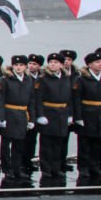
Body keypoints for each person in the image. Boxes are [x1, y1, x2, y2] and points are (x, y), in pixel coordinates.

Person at [34, 52, 72, 187]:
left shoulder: (67, 79)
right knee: (46, 145)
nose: (53, 64)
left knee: (58, 144)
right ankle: (46, 170)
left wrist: (70, 114)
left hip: (62, 114)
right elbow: (37, 99)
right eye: (51, 62)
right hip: (48, 113)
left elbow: (71, 98)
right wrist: (40, 115)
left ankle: (56, 169)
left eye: (56, 62)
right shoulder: (43, 79)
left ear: (61, 65)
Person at [0, 54, 35, 186]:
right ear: (12, 66)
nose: (18, 67)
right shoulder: (5, 80)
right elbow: (0, 100)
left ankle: (17, 168)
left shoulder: (28, 80)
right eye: (16, 65)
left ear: (25, 66)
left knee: (19, 144)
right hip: (9, 113)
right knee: (6, 144)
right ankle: (7, 169)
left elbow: (31, 100)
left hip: (22, 114)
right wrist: (1, 118)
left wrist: (32, 119)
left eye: (21, 65)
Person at [73, 50, 101, 186]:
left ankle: (95, 167)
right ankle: (83, 168)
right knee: (85, 144)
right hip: (88, 114)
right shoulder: (82, 80)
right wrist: (78, 117)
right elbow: (76, 99)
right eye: (97, 62)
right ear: (89, 65)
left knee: (99, 143)